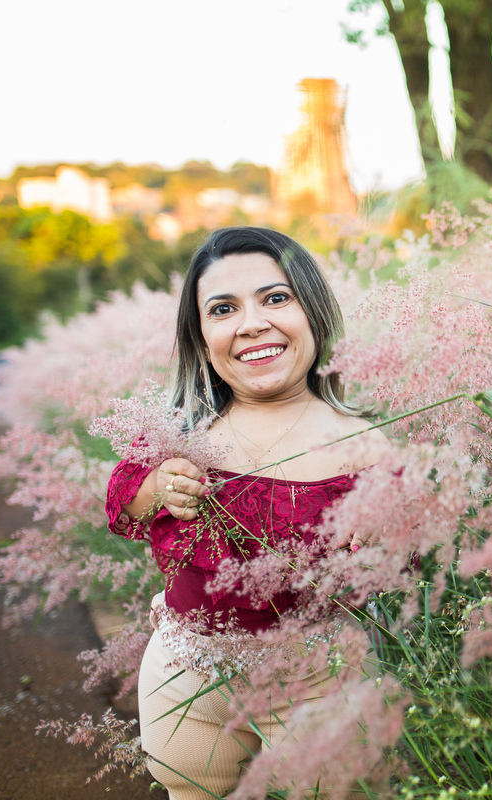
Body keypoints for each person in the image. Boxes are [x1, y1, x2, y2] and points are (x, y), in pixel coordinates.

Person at [105, 227, 384, 800]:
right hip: (188, 673)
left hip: (318, 674)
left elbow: (409, 547)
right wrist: (158, 486)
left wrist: (389, 539)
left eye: (276, 298)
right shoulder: (183, 431)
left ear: (316, 311)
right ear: (202, 338)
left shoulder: (367, 441)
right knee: (190, 787)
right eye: (223, 309)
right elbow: (122, 498)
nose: (251, 322)